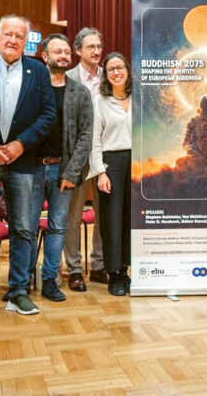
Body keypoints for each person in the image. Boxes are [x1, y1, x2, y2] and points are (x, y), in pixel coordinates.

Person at [0, 15, 56, 316]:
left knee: (24, 229)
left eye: (19, 36)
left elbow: (48, 116)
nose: (13, 40)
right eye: (7, 34)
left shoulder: (38, 71)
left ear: (26, 41)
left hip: (25, 162)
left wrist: (21, 143)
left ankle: (18, 290)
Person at [29, 34, 93, 302]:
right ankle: (23, 282)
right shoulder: (30, 87)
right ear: (45, 56)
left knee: (58, 227)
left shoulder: (80, 92)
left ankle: (50, 281)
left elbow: (85, 135)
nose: (64, 56)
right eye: (58, 52)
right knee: (27, 228)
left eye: (67, 52)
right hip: (30, 170)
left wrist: (71, 172)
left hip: (62, 171)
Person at [87, 52, 133, 296]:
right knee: (112, 221)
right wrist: (100, 173)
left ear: (127, 70)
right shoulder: (100, 101)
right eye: (111, 69)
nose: (116, 72)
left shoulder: (138, 99)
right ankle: (113, 273)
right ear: (106, 74)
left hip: (137, 162)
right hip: (111, 164)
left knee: (130, 219)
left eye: (120, 67)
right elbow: (94, 141)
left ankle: (126, 270)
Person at [64, 27, 106, 291]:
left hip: (105, 155)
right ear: (78, 51)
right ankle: (75, 269)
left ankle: (100, 265)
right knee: (73, 215)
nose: (97, 51)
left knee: (105, 214)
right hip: (76, 156)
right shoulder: (66, 78)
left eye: (99, 46)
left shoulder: (111, 76)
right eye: (91, 47)